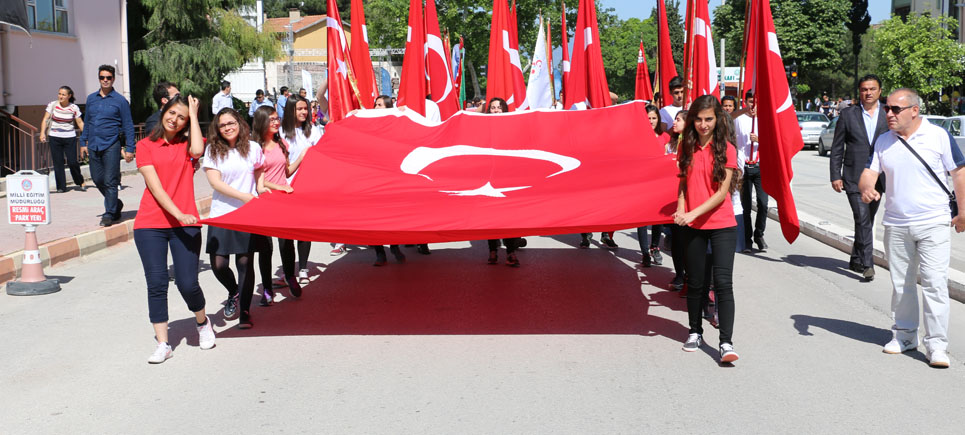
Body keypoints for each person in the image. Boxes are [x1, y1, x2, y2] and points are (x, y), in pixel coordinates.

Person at [859, 87, 965, 368]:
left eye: (895, 109)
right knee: (901, 284)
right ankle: (905, 335)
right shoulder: (883, 141)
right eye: (887, 108)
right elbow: (869, 172)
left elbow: (959, 172)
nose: (889, 113)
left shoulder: (938, 136)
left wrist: (964, 212)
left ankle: (937, 345)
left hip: (934, 222)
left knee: (934, 283)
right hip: (896, 223)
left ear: (914, 110)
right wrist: (866, 187)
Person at [133, 94, 214, 363]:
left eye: (182, 117)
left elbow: (198, 151)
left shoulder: (186, 147)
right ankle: (163, 343)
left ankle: (202, 323)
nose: (175, 120)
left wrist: (193, 112)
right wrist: (177, 213)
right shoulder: (145, 145)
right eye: (172, 113)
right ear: (163, 111)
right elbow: (155, 187)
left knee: (187, 283)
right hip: (150, 224)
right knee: (156, 283)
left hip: (187, 224)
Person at [674, 95, 740, 363]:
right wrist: (681, 208)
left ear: (717, 120)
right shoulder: (686, 146)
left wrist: (691, 212)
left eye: (708, 119)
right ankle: (694, 331)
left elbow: (722, 193)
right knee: (696, 283)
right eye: (698, 119)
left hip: (722, 224)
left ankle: (726, 342)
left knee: (723, 284)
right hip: (692, 225)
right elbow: (683, 184)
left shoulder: (727, 149)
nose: (703, 125)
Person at [203, 108, 274, 329]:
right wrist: (245, 196)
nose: (227, 128)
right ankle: (233, 291)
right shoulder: (213, 150)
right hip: (222, 213)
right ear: (217, 128)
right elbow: (215, 183)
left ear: (239, 123)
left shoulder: (252, 148)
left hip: (247, 216)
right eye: (222, 125)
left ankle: (245, 311)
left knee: (245, 263)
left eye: (231, 123)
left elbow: (260, 168)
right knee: (219, 264)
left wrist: (260, 188)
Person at [830, 74, 889, 281]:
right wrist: (835, 175)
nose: (868, 93)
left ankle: (856, 257)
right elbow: (837, 147)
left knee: (867, 219)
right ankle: (867, 264)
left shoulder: (889, 114)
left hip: (879, 178)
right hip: (854, 176)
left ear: (879, 91)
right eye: (864, 89)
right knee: (862, 218)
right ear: (860, 91)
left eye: (872, 89)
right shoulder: (848, 115)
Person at [253, 105, 308, 303]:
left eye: (277, 119)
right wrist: (277, 187)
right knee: (265, 248)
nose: (276, 122)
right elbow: (256, 178)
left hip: (283, 200)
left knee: (287, 243)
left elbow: (286, 172)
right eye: (271, 119)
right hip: (265, 199)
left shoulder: (282, 143)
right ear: (261, 122)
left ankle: (290, 276)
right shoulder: (254, 147)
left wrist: (302, 157)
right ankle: (267, 289)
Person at [79, 64, 135, 227]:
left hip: (112, 144)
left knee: (110, 180)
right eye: (102, 77)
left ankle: (109, 213)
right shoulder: (91, 99)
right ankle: (116, 204)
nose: (105, 80)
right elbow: (87, 122)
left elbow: (128, 125)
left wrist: (130, 148)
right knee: (97, 178)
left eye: (108, 78)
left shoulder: (120, 101)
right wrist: (83, 142)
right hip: (94, 144)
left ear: (113, 79)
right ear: (99, 79)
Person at [482, 97, 522, 266]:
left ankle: (511, 252)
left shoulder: (513, 127)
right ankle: (492, 251)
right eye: (492, 108)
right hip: (488, 178)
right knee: (491, 218)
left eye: (499, 107)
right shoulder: (481, 128)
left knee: (510, 217)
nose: (496, 110)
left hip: (509, 178)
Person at [734, 90, 769, 252]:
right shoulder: (739, 119)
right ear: (745, 102)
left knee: (763, 203)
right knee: (745, 206)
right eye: (750, 102)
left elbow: (772, 144)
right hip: (744, 167)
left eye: (755, 103)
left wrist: (760, 140)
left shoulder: (764, 120)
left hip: (760, 166)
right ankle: (747, 238)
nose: (752, 107)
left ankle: (759, 234)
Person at [638, 104, 671, 266]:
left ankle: (654, 247)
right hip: (642, 182)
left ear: (658, 119)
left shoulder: (664, 136)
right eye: (648, 118)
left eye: (654, 118)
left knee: (657, 218)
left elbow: (665, 156)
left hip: (658, 183)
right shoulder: (637, 136)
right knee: (642, 220)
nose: (651, 121)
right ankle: (644, 252)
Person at [40, 86, 85, 193]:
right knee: (58, 162)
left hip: (69, 138)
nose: (60, 96)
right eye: (59, 94)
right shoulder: (53, 105)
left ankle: (80, 181)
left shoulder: (74, 108)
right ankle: (61, 187)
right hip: (54, 137)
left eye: (63, 94)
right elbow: (45, 119)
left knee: (72, 161)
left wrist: (86, 136)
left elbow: (80, 123)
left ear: (69, 96)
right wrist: (42, 133)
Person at [667, 110, 689, 291]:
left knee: (688, 241)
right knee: (677, 240)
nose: (675, 122)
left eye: (679, 120)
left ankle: (690, 276)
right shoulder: (671, 144)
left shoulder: (691, 144)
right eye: (675, 119)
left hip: (689, 200)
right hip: (670, 198)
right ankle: (679, 275)